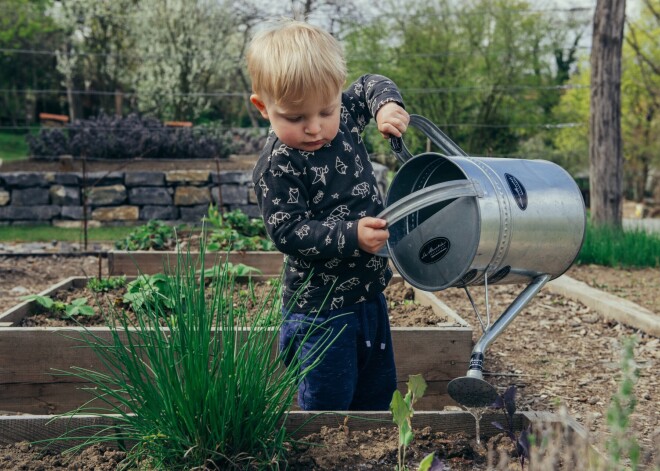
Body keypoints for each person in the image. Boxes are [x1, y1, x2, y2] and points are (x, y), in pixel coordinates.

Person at [246, 18, 409, 411]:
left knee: (376, 393)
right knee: (329, 405)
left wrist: (387, 106)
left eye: (326, 110)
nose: (315, 127)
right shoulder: (278, 166)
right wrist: (351, 235)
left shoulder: (347, 115)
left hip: (370, 296)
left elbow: (371, 82)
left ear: (337, 95)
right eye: (295, 118)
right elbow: (288, 231)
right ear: (263, 107)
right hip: (321, 312)